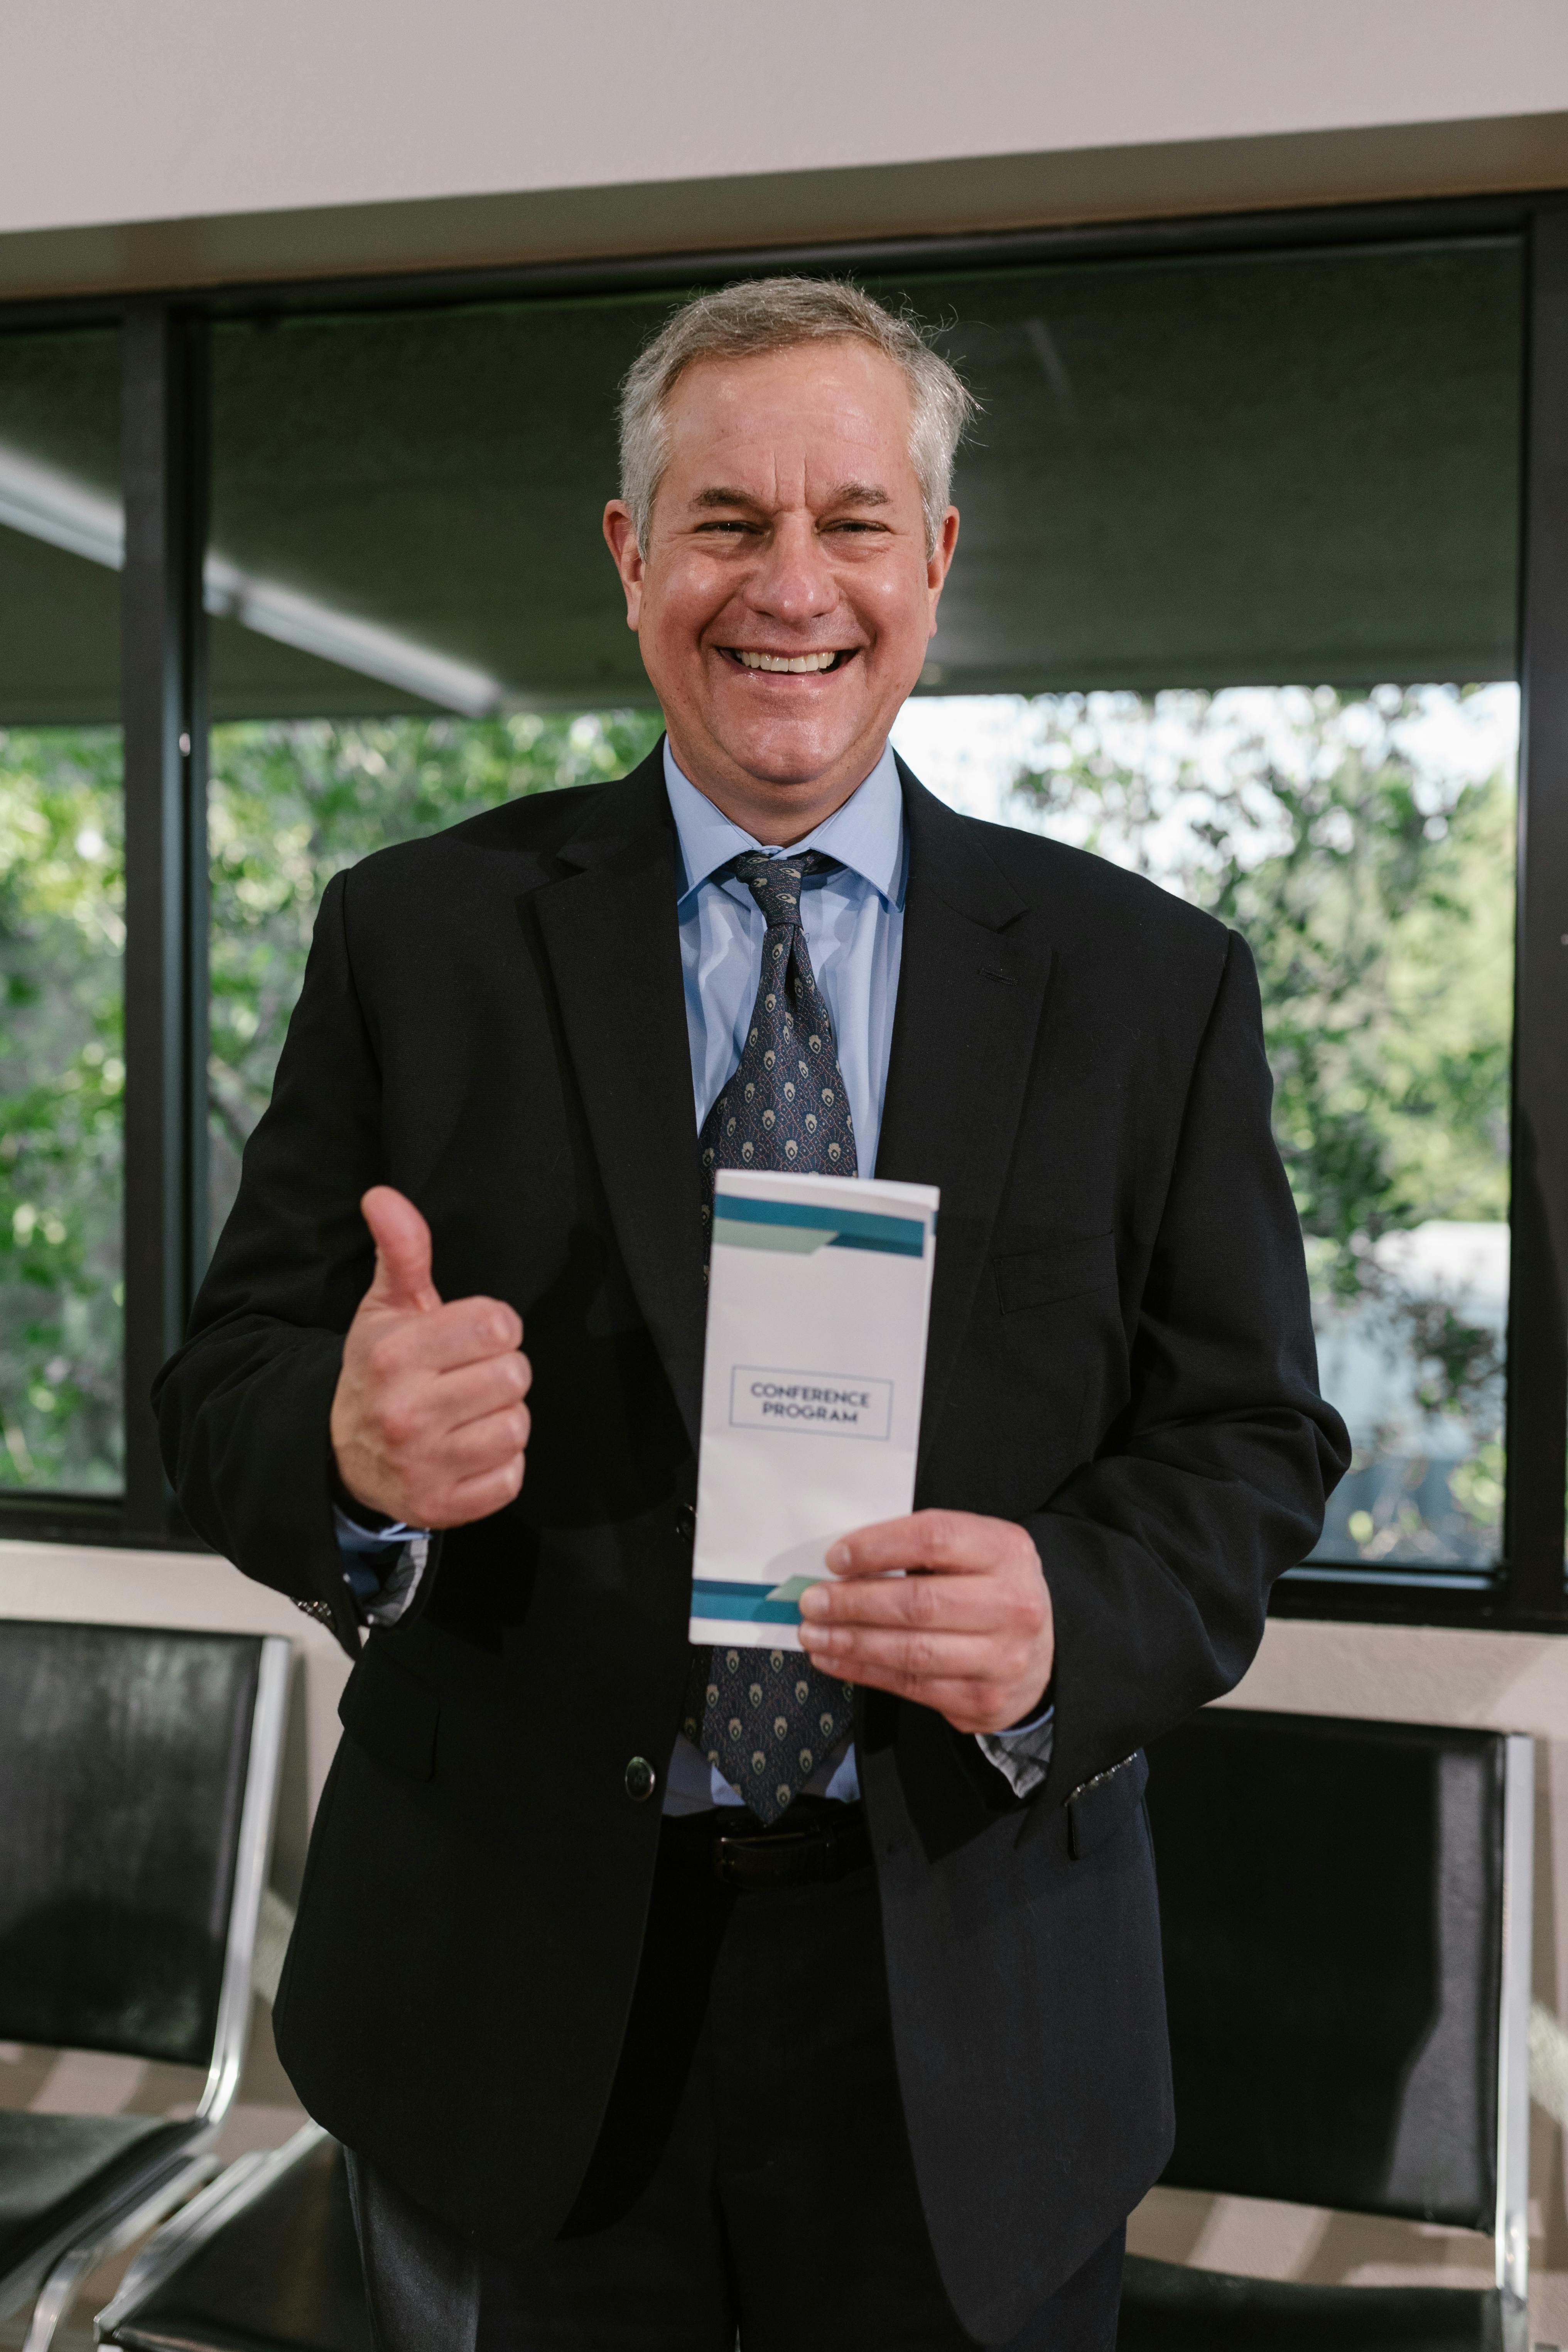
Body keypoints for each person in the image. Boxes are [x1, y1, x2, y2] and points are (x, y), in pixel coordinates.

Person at [155, 276, 1348, 2351]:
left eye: (849, 521)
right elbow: (223, 1393)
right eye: (723, 521)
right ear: (629, 557)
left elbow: (1248, 1448)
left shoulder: (1146, 983)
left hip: (973, 2006)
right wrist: (350, 1458)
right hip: (508, 2002)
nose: (785, 584)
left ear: (934, 560)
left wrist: (1071, 1608)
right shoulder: (417, 941)